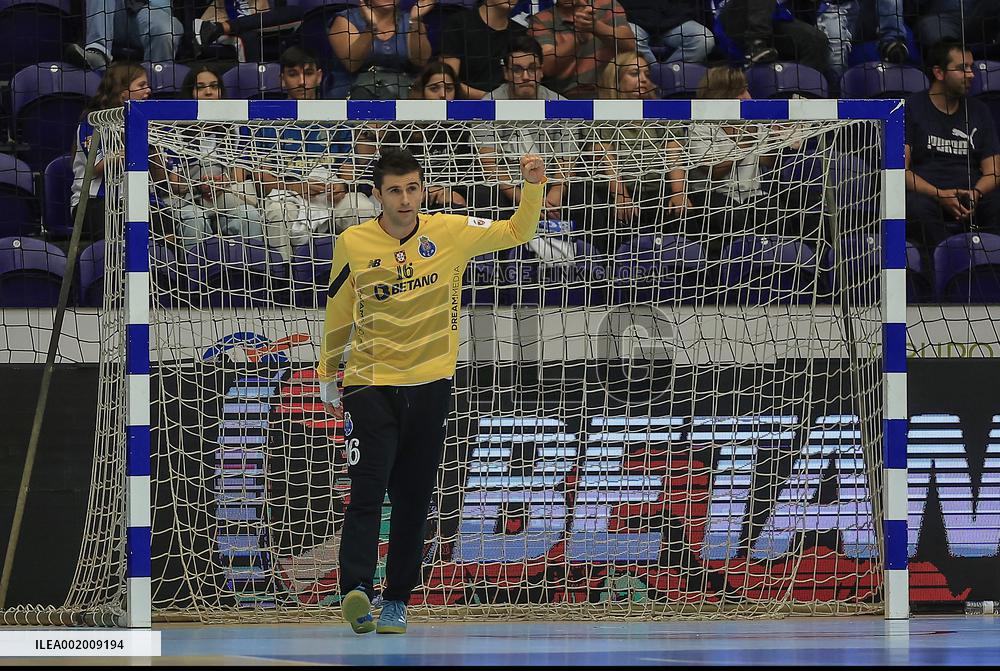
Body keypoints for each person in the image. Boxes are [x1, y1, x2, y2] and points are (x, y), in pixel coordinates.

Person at [317, 148, 547, 634]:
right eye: (395, 191)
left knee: (415, 499)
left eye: (413, 188)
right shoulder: (352, 242)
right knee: (367, 490)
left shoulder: (450, 230)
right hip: (369, 383)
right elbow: (339, 311)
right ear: (376, 195)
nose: (406, 199)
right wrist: (326, 372)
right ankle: (355, 589)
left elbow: (518, 232)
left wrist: (531, 186)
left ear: (423, 189)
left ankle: (397, 600)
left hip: (431, 385)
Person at [475, 36, 616, 253]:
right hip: (509, 187)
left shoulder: (560, 105)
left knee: (585, 196)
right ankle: (495, 274)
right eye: (517, 70)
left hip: (551, 185)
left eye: (532, 69)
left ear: (541, 71)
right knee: (484, 197)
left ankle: (600, 266)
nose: (525, 76)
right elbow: (489, 163)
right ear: (506, 73)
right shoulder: (488, 104)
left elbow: (566, 159)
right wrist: (527, 201)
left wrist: (557, 191)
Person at [241, 46, 376, 257]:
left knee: (363, 208)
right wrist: (296, 186)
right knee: (276, 213)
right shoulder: (267, 121)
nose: (302, 81)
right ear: (282, 79)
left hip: (330, 195)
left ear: (319, 76)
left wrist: (342, 185)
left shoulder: (336, 118)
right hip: (287, 194)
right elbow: (261, 176)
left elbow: (348, 169)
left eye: (308, 73)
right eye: (293, 74)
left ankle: (366, 273)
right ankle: (281, 280)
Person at [688, 66, 818, 255]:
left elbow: (768, 162)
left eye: (746, 89)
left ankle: (773, 266)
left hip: (751, 194)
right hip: (711, 195)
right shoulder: (700, 126)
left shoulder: (752, 121)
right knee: (732, 217)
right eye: (739, 92)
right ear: (721, 96)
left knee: (774, 213)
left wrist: (781, 139)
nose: (747, 96)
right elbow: (712, 171)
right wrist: (746, 141)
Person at [149, 66, 264, 248]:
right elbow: (173, 184)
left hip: (225, 194)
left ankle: (251, 272)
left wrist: (221, 182)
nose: (208, 92)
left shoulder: (236, 127)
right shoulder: (173, 130)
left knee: (249, 215)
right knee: (194, 219)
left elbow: (239, 174)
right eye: (200, 87)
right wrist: (199, 185)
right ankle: (195, 274)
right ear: (191, 93)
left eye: (213, 86)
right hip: (187, 198)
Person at [905, 39, 1000, 256]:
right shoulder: (912, 108)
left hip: (973, 197)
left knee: (997, 203)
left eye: (971, 67)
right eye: (962, 68)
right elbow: (902, 171)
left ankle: (990, 269)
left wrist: (977, 193)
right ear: (939, 73)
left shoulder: (979, 111)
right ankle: (947, 269)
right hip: (928, 196)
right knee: (915, 208)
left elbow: (994, 170)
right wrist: (939, 194)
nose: (971, 74)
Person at [590, 52, 690, 254]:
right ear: (615, 80)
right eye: (635, 73)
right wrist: (621, 195)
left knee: (684, 211)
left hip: (658, 189)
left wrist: (679, 192)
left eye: (646, 74)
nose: (644, 79)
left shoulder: (660, 111)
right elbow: (604, 153)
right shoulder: (602, 113)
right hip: (621, 189)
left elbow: (673, 147)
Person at [71, 62, 151, 240]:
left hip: (133, 200)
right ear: (123, 94)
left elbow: (160, 176)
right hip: (93, 202)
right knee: (110, 223)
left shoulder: (149, 124)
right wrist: (127, 151)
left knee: (161, 216)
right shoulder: (93, 123)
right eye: (141, 85)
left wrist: (156, 152)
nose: (148, 90)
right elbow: (96, 167)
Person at [327, 0, 436, 99]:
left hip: (403, 96)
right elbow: (352, 64)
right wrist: (371, 28)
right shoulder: (345, 19)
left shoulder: (410, 21)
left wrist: (415, 20)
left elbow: (420, 61)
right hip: (354, 96)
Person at [528, 0, 636, 99]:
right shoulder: (540, 20)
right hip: (568, 98)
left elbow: (630, 46)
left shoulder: (607, 5)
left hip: (613, 91)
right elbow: (546, 67)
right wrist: (578, 39)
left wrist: (596, 27)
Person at [439, 0, 527, 100]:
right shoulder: (458, 23)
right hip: (465, 107)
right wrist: (491, 99)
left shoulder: (520, 33)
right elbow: (448, 81)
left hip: (507, 110)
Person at [714, 0, 829, 72]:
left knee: (816, 40)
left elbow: (806, 19)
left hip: (774, 23)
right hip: (735, 22)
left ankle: (801, 94)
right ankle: (756, 44)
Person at [65, 0, 181, 70]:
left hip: (152, 11)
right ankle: (98, 53)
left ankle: (157, 88)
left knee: (164, 31)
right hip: (113, 14)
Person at [815, 0, 910, 79]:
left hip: (866, 10)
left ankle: (891, 42)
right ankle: (836, 91)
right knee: (836, 38)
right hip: (836, 9)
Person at [192, 0, 305, 61]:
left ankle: (223, 27)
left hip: (268, 29)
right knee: (247, 37)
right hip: (224, 32)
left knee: (296, 12)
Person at [618, 0, 716, 65]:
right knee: (629, 38)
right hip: (634, 19)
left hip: (673, 20)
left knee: (703, 39)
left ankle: (668, 76)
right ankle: (652, 77)